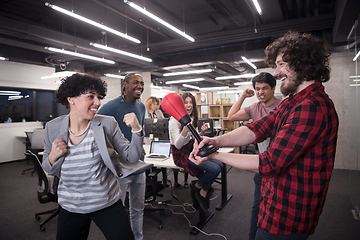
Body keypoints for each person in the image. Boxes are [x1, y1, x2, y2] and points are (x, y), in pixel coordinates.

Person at [190, 31, 339, 240]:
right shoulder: (292, 101)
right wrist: (215, 141)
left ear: (301, 62)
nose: (276, 72)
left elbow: (270, 163)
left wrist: (214, 155)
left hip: (288, 215)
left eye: (280, 64)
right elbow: (257, 128)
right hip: (274, 201)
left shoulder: (312, 106)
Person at [42, 73, 144, 240]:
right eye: (90, 96)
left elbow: (131, 158)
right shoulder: (52, 128)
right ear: (71, 99)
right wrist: (53, 156)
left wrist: (137, 130)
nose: (97, 102)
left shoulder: (107, 123)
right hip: (71, 205)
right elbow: (48, 168)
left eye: (98, 97)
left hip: (107, 203)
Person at [227, 72, 281, 240]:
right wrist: (243, 96)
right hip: (262, 166)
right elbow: (231, 116)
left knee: (278, 209)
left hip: (280, 167)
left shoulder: (283, 107)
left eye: (264, 88)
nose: (260, 92)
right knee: (257, 207)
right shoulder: (255, 108)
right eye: (257, 89)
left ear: (273, 88)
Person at [97, 73, 146, 240]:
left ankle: (138, 238)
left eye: (141, 83)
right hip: (120, 169)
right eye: (135, 83)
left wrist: (140, 145)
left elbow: (138, 130)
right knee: (117, 212)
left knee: (138, 208)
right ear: (125, 84)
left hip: (139, 165)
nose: (140, 86)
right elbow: (96, 127)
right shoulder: (110, 108)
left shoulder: (141, 107)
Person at [169, 92, 223, 210]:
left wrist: (202, 132)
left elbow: (195, 138)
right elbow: (178, 145)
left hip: (191, 149)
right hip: (181, 155)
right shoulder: (173, 121)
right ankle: (202, 191)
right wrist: (185, 124)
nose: (189, 105)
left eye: (191, 102)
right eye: (186, 103)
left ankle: (198, 187)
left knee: (220, 164)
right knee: (215, 169)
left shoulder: (192, 117)